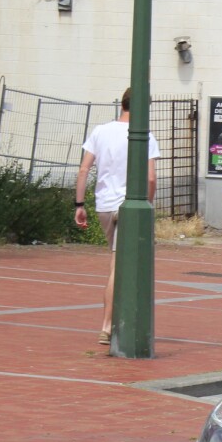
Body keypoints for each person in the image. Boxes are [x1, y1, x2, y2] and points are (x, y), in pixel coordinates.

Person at [74, 88, 160, 346]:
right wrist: (148, 205)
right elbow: (151, 177)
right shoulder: (144, 135)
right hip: (130, 204)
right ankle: (108, 326)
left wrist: (79, 203)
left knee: (116, 261)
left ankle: (112, 322)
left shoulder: (100, 131)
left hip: (103, 206)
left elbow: (83, 168)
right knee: (119, 267)